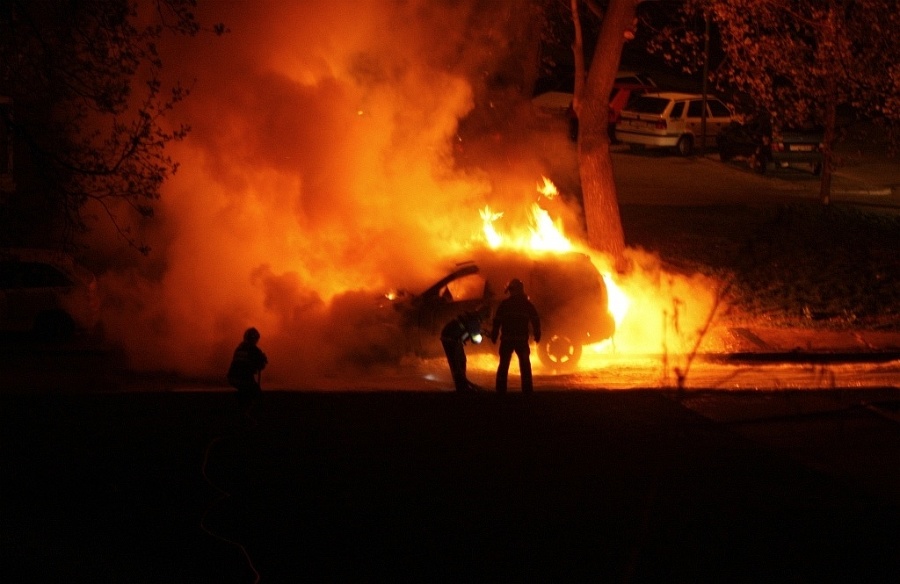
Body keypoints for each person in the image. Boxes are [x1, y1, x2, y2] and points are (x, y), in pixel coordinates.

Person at [490, 278, 541, 394]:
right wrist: (537, 333)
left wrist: (494, 334)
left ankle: (500, 391)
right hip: (521, 341)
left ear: (511, 290)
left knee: (503, 365)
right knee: (525, 366)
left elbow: (497, 320)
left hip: (507, 340)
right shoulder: (527, 305)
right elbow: (535, 319)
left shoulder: (505, 304)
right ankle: (527, 392)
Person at [440, 309, 486, 392]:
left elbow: (467, 330)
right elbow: (476, 340)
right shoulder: (474, 321)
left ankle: (462, 384)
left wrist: (480, 331)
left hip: (451, 338)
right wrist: (480, 336)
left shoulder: (471, 316)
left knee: (459, 361)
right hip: (452, 340)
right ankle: (461, 386)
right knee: (458, 362)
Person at [227, 327, 268, 409]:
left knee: (245, 393)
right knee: (257, 394)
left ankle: (241, 408)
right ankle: (248, 413)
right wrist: (263, 360)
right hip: (244, 379)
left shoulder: (239, 348)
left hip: (232, 377)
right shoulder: (253, 349)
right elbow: (260, 364)